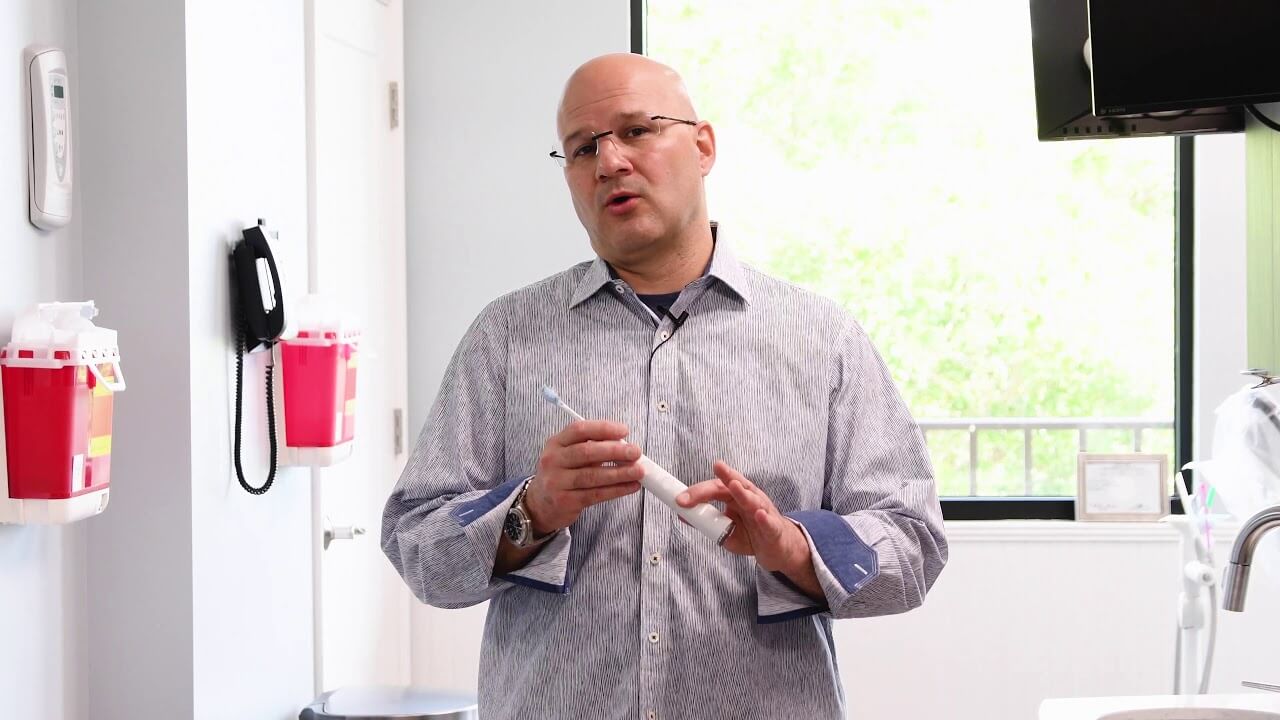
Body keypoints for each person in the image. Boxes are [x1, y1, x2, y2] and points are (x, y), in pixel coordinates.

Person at [382, 52, 947, 719]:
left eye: (637, 131)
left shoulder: (822, 338)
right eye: (582, 148)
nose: (610, 162)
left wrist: (790, 546)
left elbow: (913, 546)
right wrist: (530, 512)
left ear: (703, 145)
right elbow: (419, 550)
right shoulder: (505, 337)